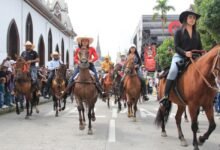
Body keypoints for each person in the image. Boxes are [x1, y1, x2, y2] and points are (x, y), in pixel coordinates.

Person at [160, 9, 202, 106]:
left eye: (194, 18)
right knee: (173, 71)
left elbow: (200, 47)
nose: (192, 19)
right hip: (180, 56)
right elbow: (176, 47)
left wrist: (203, 54)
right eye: (190, 17)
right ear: (185, 19)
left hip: (195, 58)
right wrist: (185, 53)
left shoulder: (197, 33)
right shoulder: (179, 32)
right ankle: (166, 96)